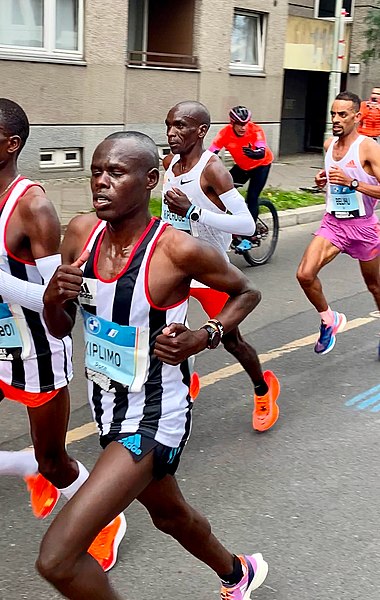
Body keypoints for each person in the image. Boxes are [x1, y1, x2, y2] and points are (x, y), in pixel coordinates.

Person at [36, 131, 269, 600]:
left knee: (57, 559)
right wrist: (51, 296)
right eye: (96, 172)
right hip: (106, 405)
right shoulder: (81, 234)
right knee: (169, 515)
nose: (101, 183)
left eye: (116, 173)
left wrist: (204, 337)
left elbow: (246, 291)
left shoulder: (176, 250)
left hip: (155, 414)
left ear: (151, 180)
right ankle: (237, 572)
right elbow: (59, 328)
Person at [0, 98, 126, 571]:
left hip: (38, 352)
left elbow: (61, 298)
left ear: (11, 144)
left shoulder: (33, 208)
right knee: (39, 460)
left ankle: (106, 519)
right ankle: (26, 466)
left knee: (55, 461)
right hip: (0, 343)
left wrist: (2, 281)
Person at [162, 101, 280, 432]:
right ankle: (185, 383)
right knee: (166, 332)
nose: (172, 133)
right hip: (176, 267)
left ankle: (263, 389)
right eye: (169, 125)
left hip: (210, 269)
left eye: (181, 126)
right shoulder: (169, 163)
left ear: (201, 131)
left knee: (230, 340)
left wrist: (193, 212)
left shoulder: (212, 170)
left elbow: (245, 225)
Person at [297, 91, 380, 355]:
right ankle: (329, 320)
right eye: (333, 114)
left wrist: (352, 183)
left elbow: (354, 180)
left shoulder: (367, 147)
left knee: (375, 286)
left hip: (364, 226)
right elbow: (334, 178)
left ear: (357, 117)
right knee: (304, 274)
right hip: (334, 223)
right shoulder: (328, 146)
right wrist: (323, 180)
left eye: (342, 114)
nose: (336, 119)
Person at [209, 105, 273, 233]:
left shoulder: (255, 130)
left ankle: (250, 233)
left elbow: (261, 149)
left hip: (261, 165)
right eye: (239, 124)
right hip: (243, 167)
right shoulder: (225, 133)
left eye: (245, 123)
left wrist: (256, 153)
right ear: (232, 123)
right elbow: (211, 153)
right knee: (220, 190)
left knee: (252, 197)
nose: (243, 127)